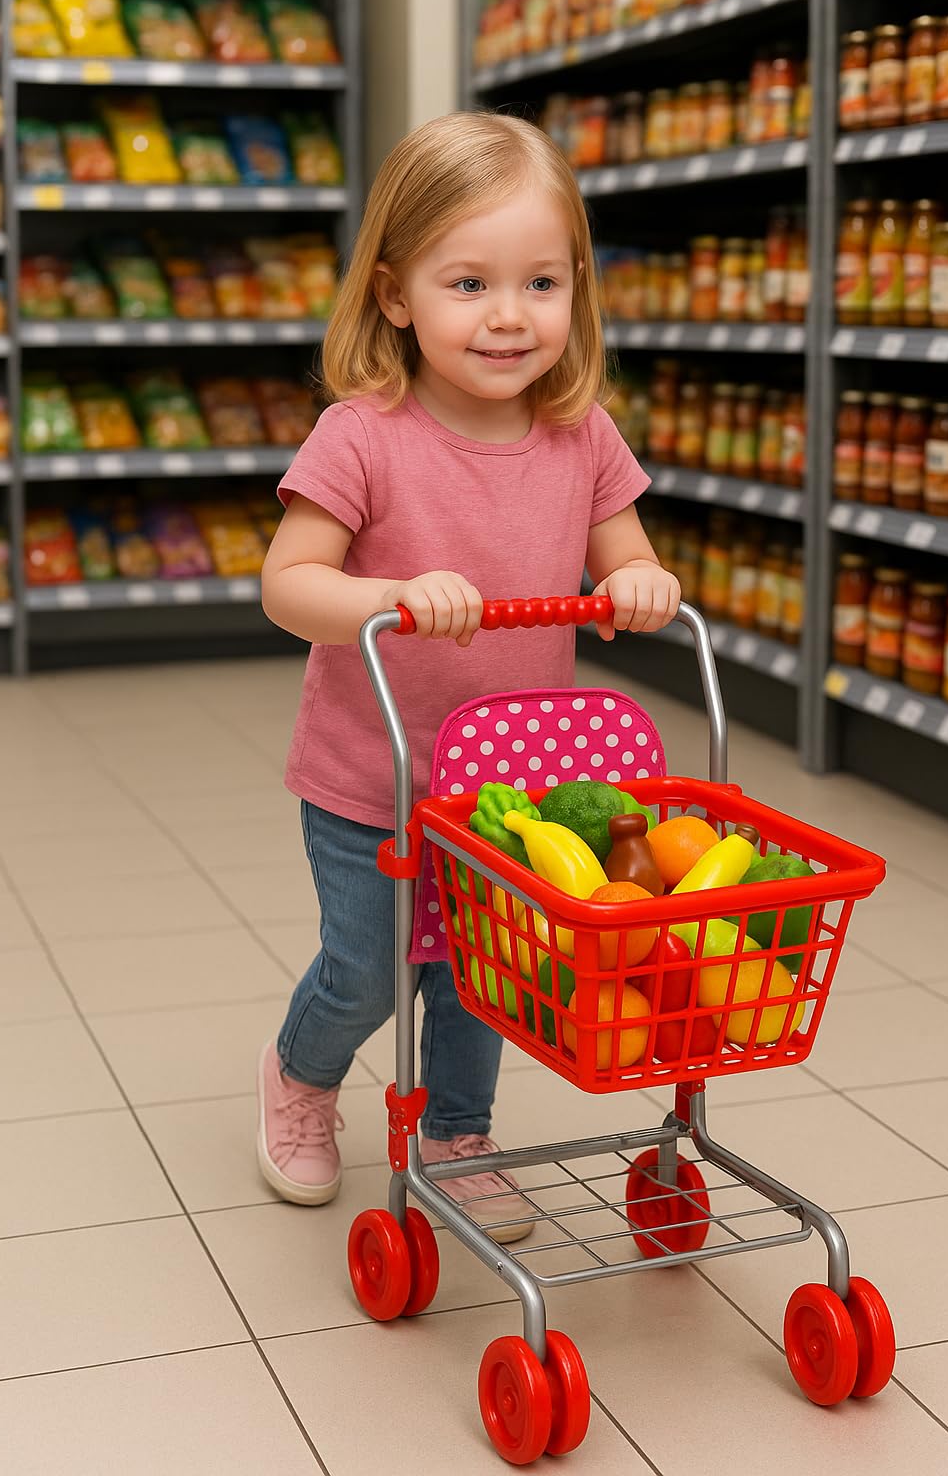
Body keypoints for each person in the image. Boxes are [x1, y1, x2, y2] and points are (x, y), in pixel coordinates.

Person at [256, 111, 680, 1241]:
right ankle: (302, 1075)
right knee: (367, 970)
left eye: (541, 282)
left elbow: (624, 553)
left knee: (487, 972)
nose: (508, 316)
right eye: (469, 283)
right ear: (395, 296)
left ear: (576, 292)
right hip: (370, 777)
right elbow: (288, 583)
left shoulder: (579, 435)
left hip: (508, 788)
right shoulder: (362, 436)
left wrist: (640, 580)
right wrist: (387, 599)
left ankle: (459, 1133)